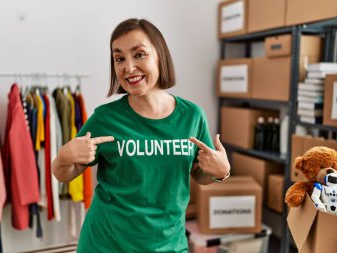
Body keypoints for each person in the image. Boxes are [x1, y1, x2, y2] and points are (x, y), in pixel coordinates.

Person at [51, 18, 231, 253]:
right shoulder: (105, 118)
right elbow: (64, 174)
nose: (128, 67)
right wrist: (64, 157)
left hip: (168, 245)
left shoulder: (192, 116)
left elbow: (199, 174)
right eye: (119, 58)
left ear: (160, 56)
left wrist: (221, 172)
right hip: (105, 244)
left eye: (139, 54)